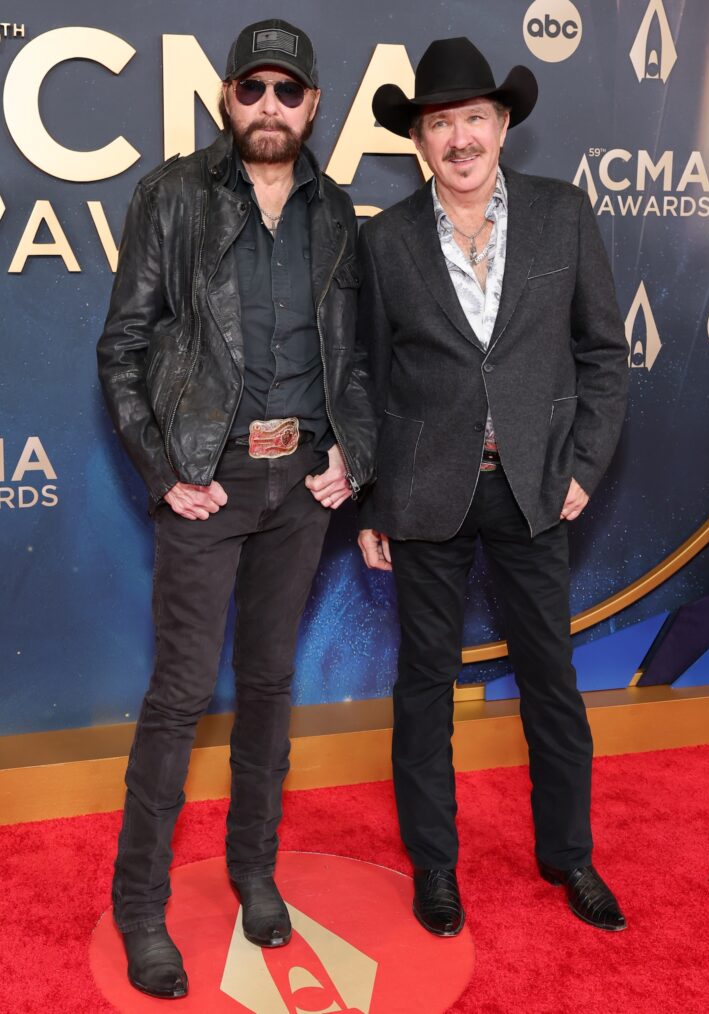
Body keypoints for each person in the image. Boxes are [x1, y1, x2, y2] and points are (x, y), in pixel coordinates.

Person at [97, 18, 375, 999]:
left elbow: (359, 364)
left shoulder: (337, 214)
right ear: (227, 99)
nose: (267, 107)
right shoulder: (172, 197)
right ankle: (140, 905)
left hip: (299, 489)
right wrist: (160, 464)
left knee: (267, 687)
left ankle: (253, 870)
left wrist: (353, 454)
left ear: (310, 106)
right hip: (205, 485)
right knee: (180, 696)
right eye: (250, 89)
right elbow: (121, 349)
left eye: (285, 92)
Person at [357, 37, 629, 939]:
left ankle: (569, 855)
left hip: (534, 487)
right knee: (423, 687)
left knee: (550, 680)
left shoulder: (561, 213)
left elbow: (601, 351)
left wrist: (582, 465)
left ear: (503, 124)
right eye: (440, 124)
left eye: (474, 118)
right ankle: (435, 867)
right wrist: (368, 501)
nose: (459, 138)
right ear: (419, 142)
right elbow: (364, 377)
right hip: (423, 492)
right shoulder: (385, 241)